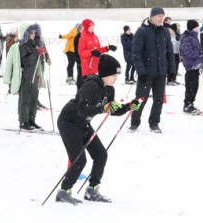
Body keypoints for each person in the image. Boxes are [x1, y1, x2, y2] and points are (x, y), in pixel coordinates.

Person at [55, 55, 140, 205]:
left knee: (101, 154)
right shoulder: (92, 86)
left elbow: (112, 110)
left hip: (83, 124)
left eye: (117, 75)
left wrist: (128, 106)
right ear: (106, 73)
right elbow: (82, 109)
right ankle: (64, 191)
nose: (116, 78)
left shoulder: (109, 89)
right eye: (114, 75)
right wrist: (102, 108)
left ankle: (92, 190)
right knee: (79, 159)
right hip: (69, 122)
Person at [130, 6, 175, 133]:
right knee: (140, 99)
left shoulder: (165, 31)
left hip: (161, 72)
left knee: (159, 99)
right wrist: (141, 71)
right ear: (152, 17)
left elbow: (169, 52)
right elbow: (136, 53)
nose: (162, 18)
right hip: (146, 73)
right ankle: (134, 122)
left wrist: (172, 71)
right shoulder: (142, 31)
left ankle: (154, 123)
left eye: (163, 15)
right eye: (159, 16)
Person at [18, 23, 51, 131]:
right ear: (26, 34)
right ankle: (24, 120)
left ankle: (31, 119)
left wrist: (45, 56)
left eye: (34, 32)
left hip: (35, 74)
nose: (33, 34)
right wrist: (36, 53)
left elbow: (42, 51)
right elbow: (25, 61)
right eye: (31, 33)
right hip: (27, 75)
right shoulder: (23, 45)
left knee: (34, 98)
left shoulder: (34, 43)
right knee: (25, 98)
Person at [77, 19, 117, 85]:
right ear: (86, 27)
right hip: (88, 69)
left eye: (93, 25)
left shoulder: (95, 37)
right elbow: (81, 52)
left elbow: (98, 50)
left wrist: (107, 48)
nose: (93, 27)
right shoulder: (83, 38)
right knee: (89, 89)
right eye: (90, 26)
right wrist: (91, 52)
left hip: (95, 68)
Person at [180, 19, 203, 114]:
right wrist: (200, 53)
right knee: (191, 86)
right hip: (190, 65)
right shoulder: (187, 38)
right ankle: (187, 104)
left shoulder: (194, 37)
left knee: (195, 86)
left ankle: (191, 103)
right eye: (196, 27)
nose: (197, 29)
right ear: (192, 28)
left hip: (196, 65)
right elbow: (188, 52)